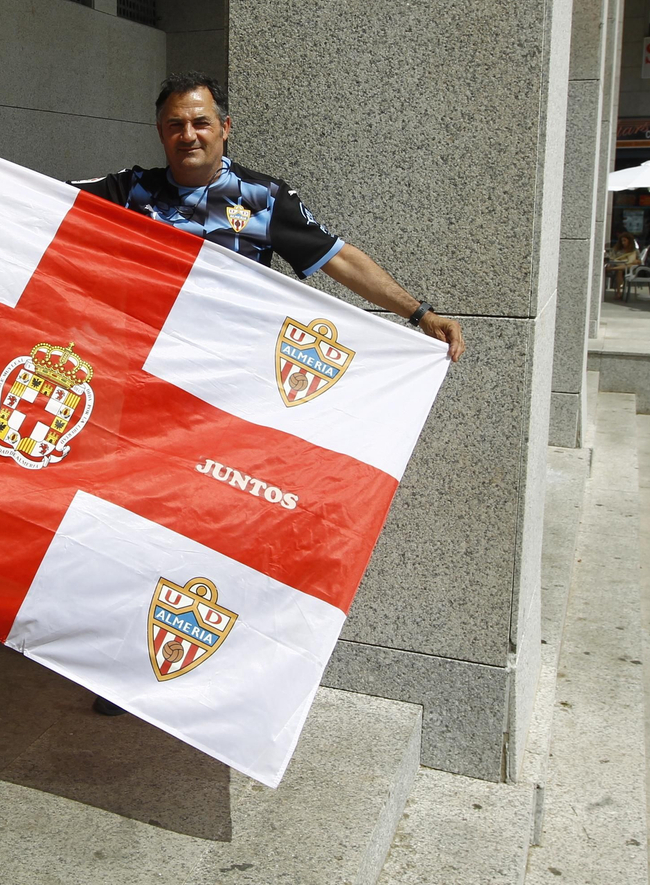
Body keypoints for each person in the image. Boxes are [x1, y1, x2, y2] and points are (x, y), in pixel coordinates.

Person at [74, 72, 465, 717]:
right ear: (160, 133)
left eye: (200, 122)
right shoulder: (130, 189)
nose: (188, 135)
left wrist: (416, 311)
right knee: (136, 530)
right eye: (175, 124)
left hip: (232, 412)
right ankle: (122, 665)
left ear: (224, 129)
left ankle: (210, 659)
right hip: (147, 401)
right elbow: (31, 198)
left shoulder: (263, 198)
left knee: (219, 531)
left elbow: (339, 258)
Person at [606, 232, 640, 297]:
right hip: (619, 266)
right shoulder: (618, 250)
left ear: (629, 241)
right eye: (622, 241)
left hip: (630, 268)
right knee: (619, 271)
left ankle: (611, 269)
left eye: (625, 241)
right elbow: (612, 258)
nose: (623, 242)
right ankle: (619, 292)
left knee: (629, 265)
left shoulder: (634, 250)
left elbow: (640, 261)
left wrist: (636, 261)